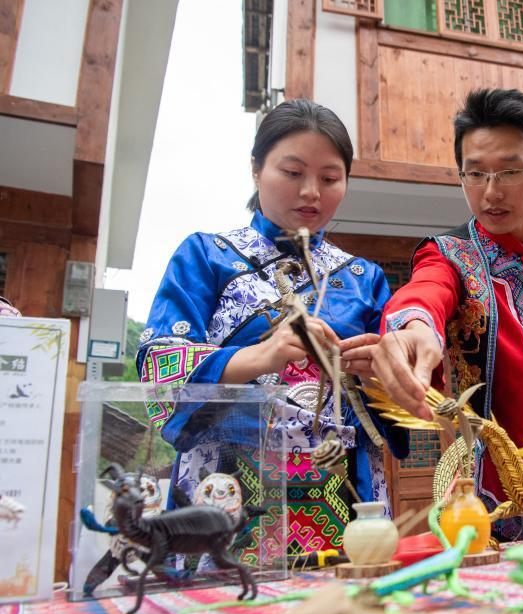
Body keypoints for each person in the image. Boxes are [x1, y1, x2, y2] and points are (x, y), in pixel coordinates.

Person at [347, 88, 523, 538]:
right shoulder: (451, 255)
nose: (490, 192)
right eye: (474, 174)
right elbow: (426, 292)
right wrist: (414, 328)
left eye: (511, 171)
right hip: (506, 493)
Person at [137, 99, 408, 552]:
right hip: (225, 483)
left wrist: (378, 372)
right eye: (292, 172)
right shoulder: (207, 256)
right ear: (256, 170)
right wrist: (261, 356)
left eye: (329, 178)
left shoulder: (364, 278)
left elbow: (397, 397)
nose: (310, 192)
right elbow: (159, 366)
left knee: (346, 610)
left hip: (341, 482)